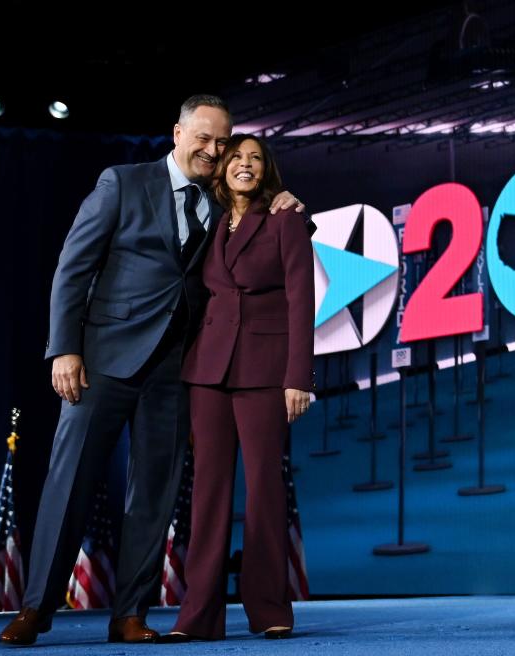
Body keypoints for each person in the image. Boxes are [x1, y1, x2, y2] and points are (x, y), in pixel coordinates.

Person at [0, 96, 305, 646]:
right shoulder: (122, 182)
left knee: (155, 495)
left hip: (176, 370)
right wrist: (64, 349)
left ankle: (130, 614)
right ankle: (35, 609)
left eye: (223, 141)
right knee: (69, 484)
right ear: (178, 132)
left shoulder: (221, 199)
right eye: (204, 138)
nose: (214, 150)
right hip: (103, 362)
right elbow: (73, 267)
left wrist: (282, 197)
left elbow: (254, 233)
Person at [159, 134, 314, 643]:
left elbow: (300, 300)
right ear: (221, 168)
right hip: (206, 371)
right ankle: (199, 615)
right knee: (207, 493)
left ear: (266, 171)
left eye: (255, 159)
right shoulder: (207, 217)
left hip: (266, 371)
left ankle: (269, 607)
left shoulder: (285, 218)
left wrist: (298, 377)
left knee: (265, 488)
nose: (244, 165)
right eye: (236, 158)